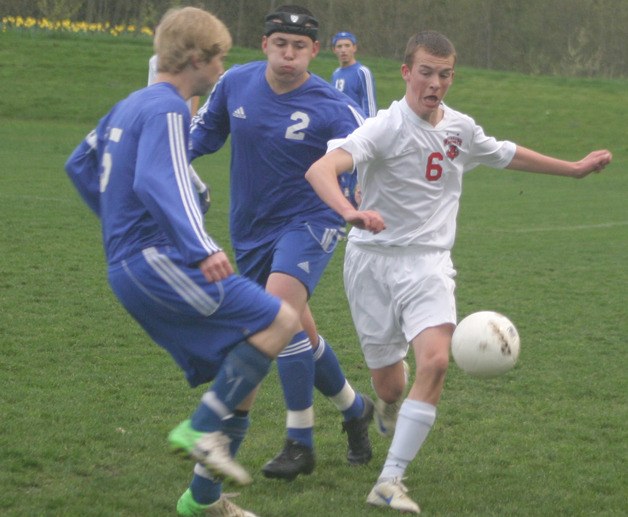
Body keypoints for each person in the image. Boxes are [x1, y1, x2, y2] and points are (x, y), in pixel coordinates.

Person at [305, 30, 612, 514]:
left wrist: (573, 168)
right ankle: (384, 406)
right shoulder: (385, 128)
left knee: (435, 360)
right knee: (390, 386)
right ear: (407, 72)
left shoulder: (461, 129)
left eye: (444, 74)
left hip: (428, 263)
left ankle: (390, 480)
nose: (434, 83)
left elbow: (507, 153)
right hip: (370, 262)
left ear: (452, 76)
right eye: (425, 72)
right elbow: (321, 169)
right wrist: (349, 210)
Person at [65, 7, 299, 517]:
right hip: (159, 262)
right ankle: (198, 428)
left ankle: (204, 501)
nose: (222, 69)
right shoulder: (171, 108)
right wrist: (202, 248)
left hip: (131, 267)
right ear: (197, 58)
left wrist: (116, 227)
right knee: (281, 319)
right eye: (218, 57)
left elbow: (80, 164)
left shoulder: (132, 103)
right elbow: (157, 179)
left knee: (246, 369)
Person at [189, 4, 374, 481]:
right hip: (251, 226)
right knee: (297, 330)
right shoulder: (235, 84)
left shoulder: (332, 105)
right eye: (280, 44)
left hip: (311, 220)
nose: (288, 54)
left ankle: (299, 440)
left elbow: (365, 153)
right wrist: (161, 154)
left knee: (277, 317)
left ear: (315, 51)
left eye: (299, 47)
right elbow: (202, 136)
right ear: (265, 44)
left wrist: (351, 204)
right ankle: (354, 409)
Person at [331, 31, 377, 117]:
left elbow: (370, 107)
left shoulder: (362, 72)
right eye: (339, 46)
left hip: (358, 127)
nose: (343, 50)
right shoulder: (335, 74)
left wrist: (368, 128)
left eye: (347, 45)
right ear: (334, 50)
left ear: (354, 48)